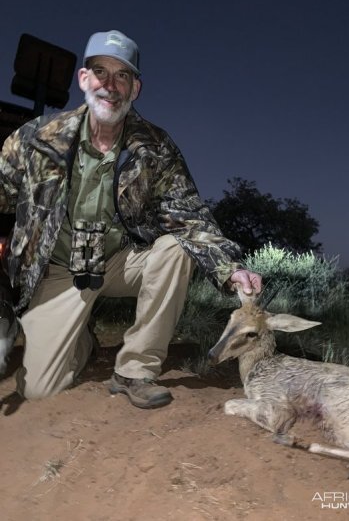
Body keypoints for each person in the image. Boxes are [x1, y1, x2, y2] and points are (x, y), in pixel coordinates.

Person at [0, 30, 262, 409]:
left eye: (122, 76)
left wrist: (232, 268)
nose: (110, 86)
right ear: (84, 80)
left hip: (122, 261)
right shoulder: (36, 137)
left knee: (177, 249)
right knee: (40, 388)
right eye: (101, 72)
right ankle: (81, 338)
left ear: (135, 88)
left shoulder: (155, 146)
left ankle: (134, 370)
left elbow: (189, 215)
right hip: (58, 270)